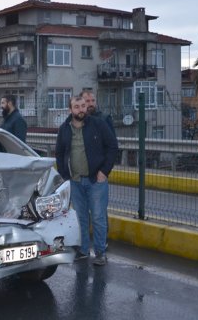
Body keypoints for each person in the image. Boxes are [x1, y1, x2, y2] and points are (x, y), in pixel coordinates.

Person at [55, 95, 118, 266]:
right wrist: (65, 175)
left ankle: (100, 253)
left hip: (96, 181)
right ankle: (83, 250)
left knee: (98, 217)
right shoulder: (64, 129)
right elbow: (59, 153)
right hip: (75, 181)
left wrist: (104, 171)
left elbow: (113, 146)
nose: (81, 109)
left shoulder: (98, 124)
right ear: (70, 110)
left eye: (83, 106)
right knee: (80, 217)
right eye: (77, 106)